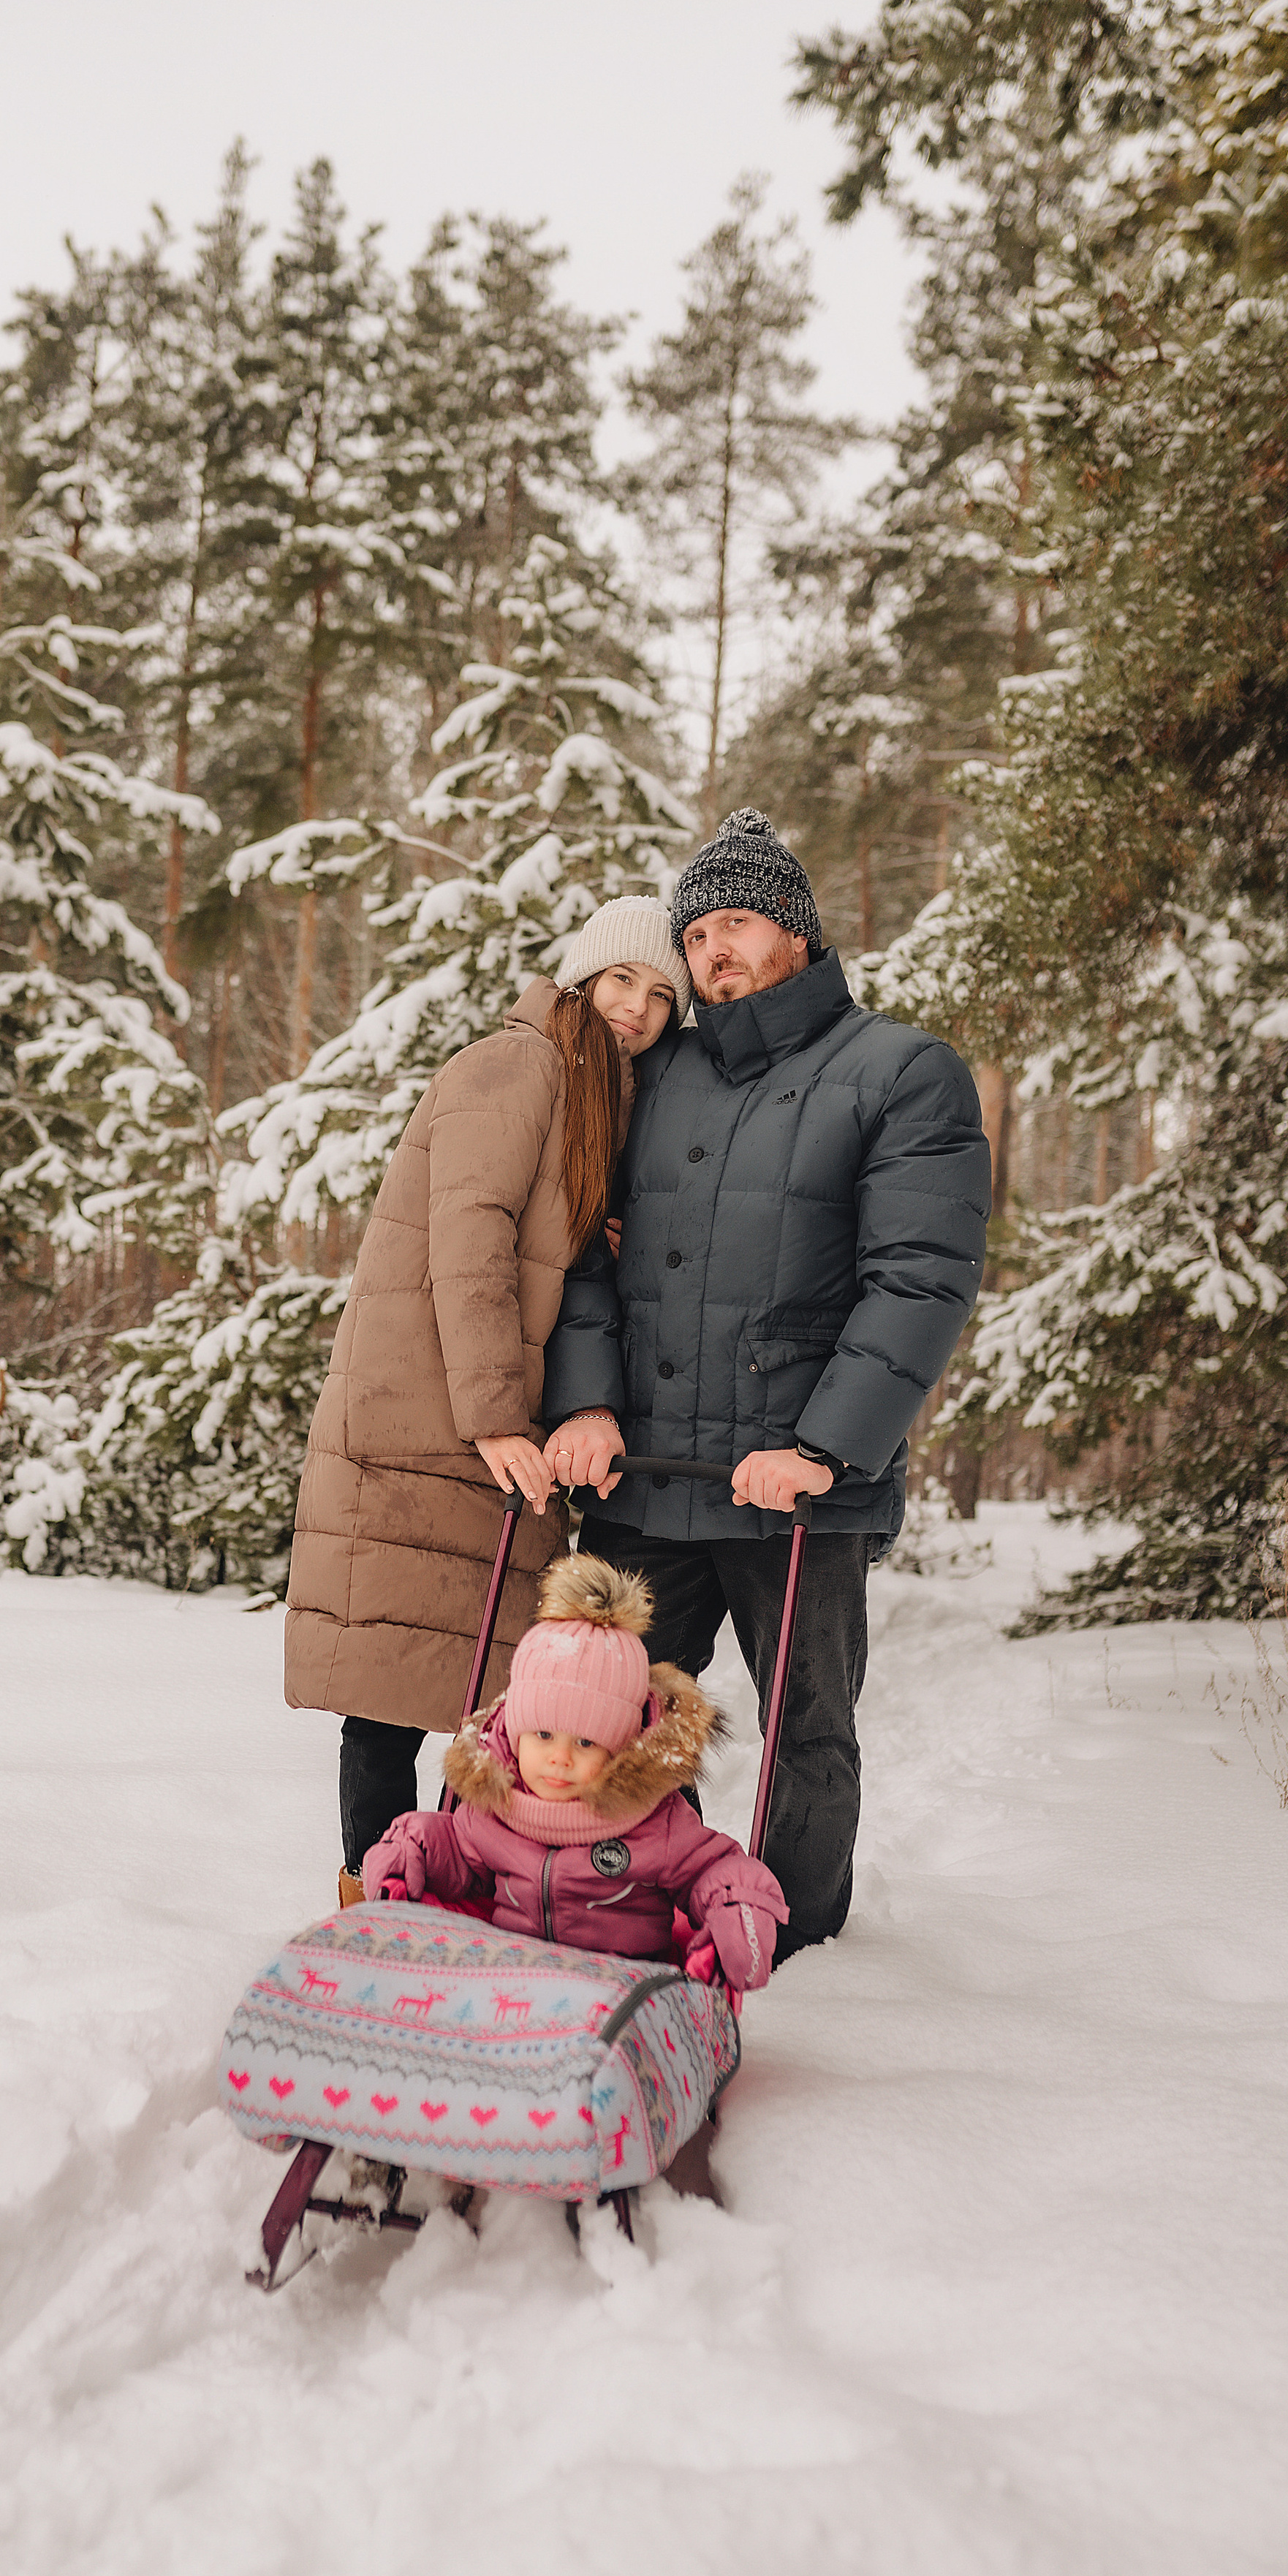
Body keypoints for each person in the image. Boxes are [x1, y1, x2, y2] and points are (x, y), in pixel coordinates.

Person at [542, 808, 991, 1964]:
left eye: (736, 925)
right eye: (695, 937)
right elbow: (587, 1248)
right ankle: (623, 1911)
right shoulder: (661, 1074)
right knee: (610, 1718)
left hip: (793, 1486)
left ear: (796, 932)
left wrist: (828, 1447)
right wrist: (587, 1403)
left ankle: (792, 1947)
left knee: (806, 1733)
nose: (712, 954)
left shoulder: (899, 1072)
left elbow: (920, 1282)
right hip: (650, 1479)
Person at [284, 899, 688, 1898]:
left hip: (480, 1441)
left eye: (661, 995)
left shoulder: (596, 1094)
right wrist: (498, 1417)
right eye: (623, 981)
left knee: (487, 1699)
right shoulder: (517, 1065)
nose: (636, 1008)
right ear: (584, 977)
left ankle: (457, 1899)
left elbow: (545, 1244)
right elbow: (467, 1247)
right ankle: (370, 1898)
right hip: (424, 1429)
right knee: (388, 1693)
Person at [359, 1552, 785, 1989]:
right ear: (515, 1733)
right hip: (513, 1982)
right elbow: (457, 1850)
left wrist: (738, 1907)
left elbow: (712, 1868)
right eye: (543, 1735)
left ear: (621, 1748)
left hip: (624, 1990)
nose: (559, 1758)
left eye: (585, 1743)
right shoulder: (499, 1806)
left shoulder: (654, 1821)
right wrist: (414, 1846)